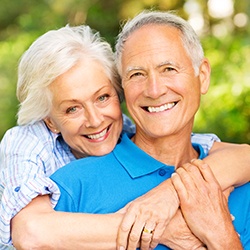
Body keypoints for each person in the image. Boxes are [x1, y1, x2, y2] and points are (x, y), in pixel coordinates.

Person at [0, 22, 249, 250]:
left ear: (118, 92)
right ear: (50, 121)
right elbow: (30, 232)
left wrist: (220, 233)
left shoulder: (232, 179)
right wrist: (157, 227)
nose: (96, 120)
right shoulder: (56, 178)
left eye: (102, 97)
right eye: (72, 108)